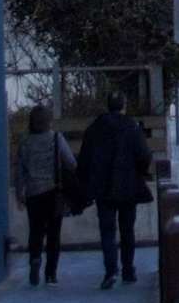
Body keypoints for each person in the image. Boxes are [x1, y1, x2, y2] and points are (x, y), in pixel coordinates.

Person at [77, 91, 150, 289]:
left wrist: (86, 184)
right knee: (127, 230)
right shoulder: (132, 127)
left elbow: (84, 159)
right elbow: (144, 155)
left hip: (103, 188)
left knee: (107, 231)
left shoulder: (95, 128)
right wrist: (140, 173)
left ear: (108, 106)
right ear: (124, 106)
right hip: (128, 186)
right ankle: (128, 270)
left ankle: (110, 271)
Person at [12, 103, 74, 287]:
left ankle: (35, 259)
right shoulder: (56, 138)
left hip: (33, 193)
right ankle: (51, 274)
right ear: (48, 121)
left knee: (36, 231)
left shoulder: (25, 142)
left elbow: (20, 172)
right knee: (54, 233)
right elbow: (71, 162)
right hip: (54, 192)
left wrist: (19, 194)